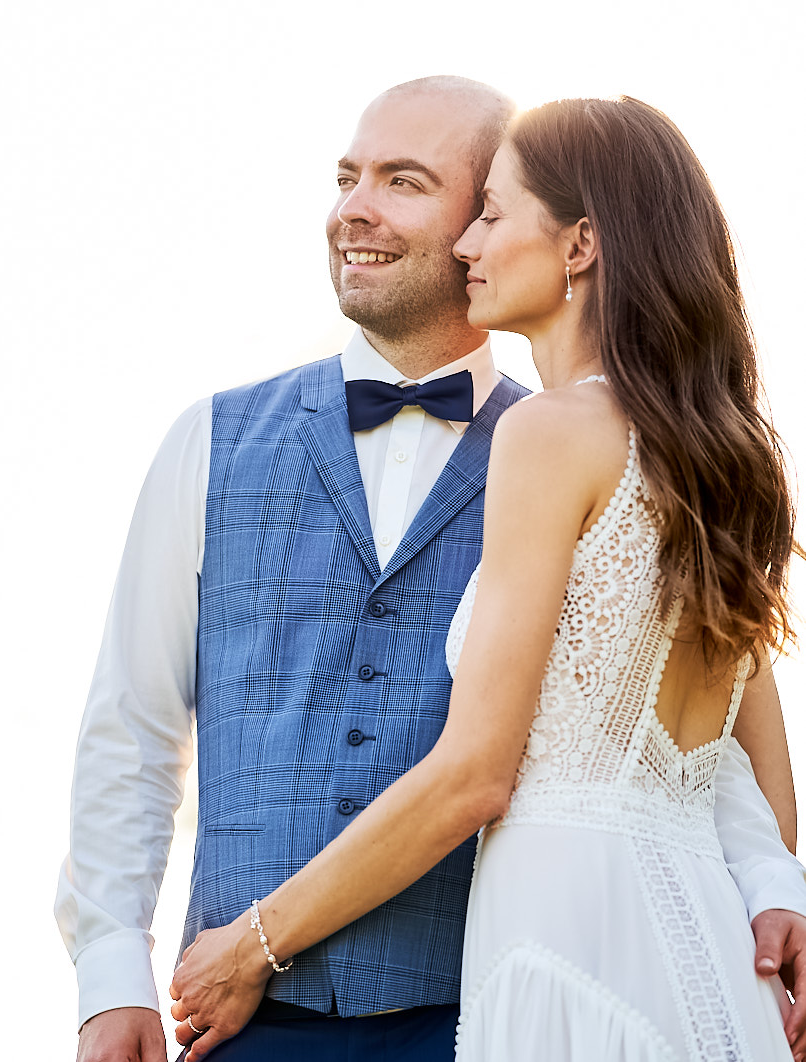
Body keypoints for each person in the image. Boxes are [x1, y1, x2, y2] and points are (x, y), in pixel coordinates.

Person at [57, 79, 806, 1062]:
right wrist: (112, 972)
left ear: (483, 220)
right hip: (243, 1028)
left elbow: (701, 737)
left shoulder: (580, 441)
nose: (354, 209)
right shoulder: (208, 441)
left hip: (488, 1000)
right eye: (346, 177)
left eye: (407, 182)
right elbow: (132, 726)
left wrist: (773, 884)